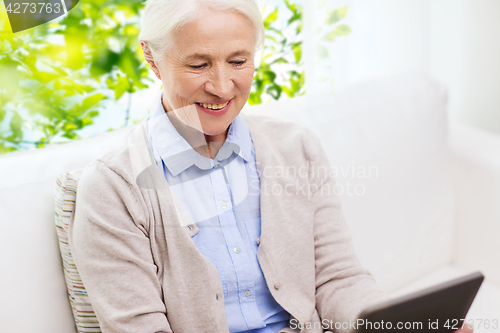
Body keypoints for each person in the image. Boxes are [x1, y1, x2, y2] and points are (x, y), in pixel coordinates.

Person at [69, 1, 474, 332]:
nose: (223, 86)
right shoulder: (113, 188)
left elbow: (338, 280)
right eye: (198, 65)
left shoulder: (296, 149)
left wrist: (394, 328)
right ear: (152, 60)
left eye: (238, 60)